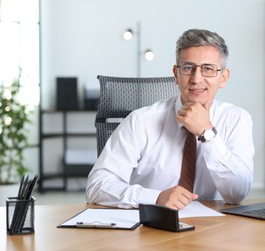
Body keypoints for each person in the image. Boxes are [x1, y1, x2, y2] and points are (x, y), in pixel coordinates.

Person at [86, 28, 254, 210]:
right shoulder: (141, 121)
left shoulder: (237, 120)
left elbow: (237, 193)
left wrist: (207, 134)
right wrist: (155, 197)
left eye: (208, 69)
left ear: (223, 78)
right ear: (176, 74)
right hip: (147, 227)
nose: (197, 79)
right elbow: (96, 186)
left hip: (207, 229)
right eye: (188, 68)